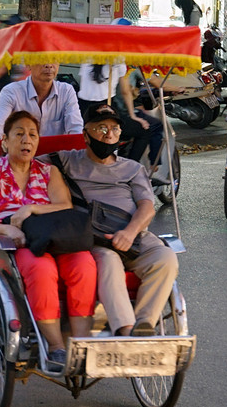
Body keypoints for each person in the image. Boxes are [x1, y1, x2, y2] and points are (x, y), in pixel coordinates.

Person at [0, 111, 96, 371]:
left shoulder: (49, 171)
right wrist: (8, 231)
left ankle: (82, 345)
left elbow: (64, 206)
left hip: (53, 236)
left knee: (84, 263)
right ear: (4, 141)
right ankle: (57, 346)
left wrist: (32, 210)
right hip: (15, 246)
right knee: (41, 268)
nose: (26, 140)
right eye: (19, 134)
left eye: (32, 135)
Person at [54, 103, 177, 337]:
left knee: (166, 257)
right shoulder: (67, 160)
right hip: (96, 240)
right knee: (110, 262)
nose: (109, 135)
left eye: (115, 129)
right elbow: (21, 159)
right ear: (85, 134)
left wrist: (129, 233)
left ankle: (144, 324)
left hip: (135, 235)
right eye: (101, 128)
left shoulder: (132, 168)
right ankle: (125, 328)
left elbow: (147, 207)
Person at [77, 63, 162, 167]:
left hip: (83, 113)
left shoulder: (87, 58)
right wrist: (133, 116)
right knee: (144, 131)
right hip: (106, 111)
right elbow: (125, 91)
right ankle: (131, 169)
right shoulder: (118, 61)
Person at [0, 62, 83, 139]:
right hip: (20, 157)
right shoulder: (11, 92)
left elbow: (75, 128)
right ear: (28, 64)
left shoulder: (66, 91)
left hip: (56, 159)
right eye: (42, 59)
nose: (49, 65)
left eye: (54, 59)